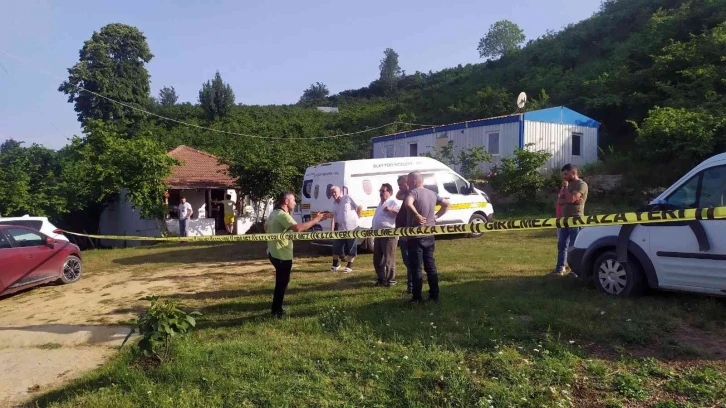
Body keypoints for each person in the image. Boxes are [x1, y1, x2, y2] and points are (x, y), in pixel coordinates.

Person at [265, 191, 326, 318]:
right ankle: (277, 311)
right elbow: (298, 228)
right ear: (286, 201)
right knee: (282, 283)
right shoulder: (282, 215)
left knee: (282, 281)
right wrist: (316, 220)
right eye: (293, 200)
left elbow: (265, 227)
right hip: (281, 254)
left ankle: (277, 307)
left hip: (273, 252)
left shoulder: (274, 213)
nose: (295, 203)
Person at [404, 171, 450, 303]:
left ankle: (417, 298)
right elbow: (447, 204)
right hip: (429, 235)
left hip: (415, 237)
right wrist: (436, 216)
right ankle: (434, 295)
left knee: (416, 268)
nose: (407, 184)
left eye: (408, 181)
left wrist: (416, 215)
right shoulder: (432, 193)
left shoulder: (413, 192)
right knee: (430, 266)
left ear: (414, 181)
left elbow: (408, 203)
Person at [551, 163, 588, 277]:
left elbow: (571, 199)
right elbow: (560, 201)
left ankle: (575, 271)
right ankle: (559, 269)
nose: (564, 177)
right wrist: (568, 198)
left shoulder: (581, 185)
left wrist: (567, 192)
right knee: (562, 245)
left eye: (566, 174)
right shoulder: (567, 185)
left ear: (574, 173)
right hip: (565, 220)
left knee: (574, 247)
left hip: (576, 220)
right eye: (563, 175)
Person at [372, 183, 401, 287]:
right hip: (378, 234)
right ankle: (381, 279)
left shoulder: (393, 202)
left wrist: (391, 209)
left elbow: (400, 213)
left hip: (389, 234)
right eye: (380, 191)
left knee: (389, 259)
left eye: (383, 191)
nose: (381, 193)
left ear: (390, 192)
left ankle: (391, 281)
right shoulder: (380, 203)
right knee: (377, 259)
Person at [329, 186, 362, 273]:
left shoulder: (347, 198)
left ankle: (349, 266)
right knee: (336, 246)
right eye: (332, 192)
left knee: (352, 247)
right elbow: (334, 218)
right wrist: (332, 230)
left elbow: (359, 207)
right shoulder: (334, 205)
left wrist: (358, 218)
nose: (333, 194)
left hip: (353, 227)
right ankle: (335, 265)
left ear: (340, 192)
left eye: (335, 192)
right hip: (340, 229)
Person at [395, 175, 413, 294]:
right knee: (408, 263)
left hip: (408, 235)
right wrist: (403, 188)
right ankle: (411, 286)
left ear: (408, 183)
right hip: (402, 234)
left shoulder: (412, 195)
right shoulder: (406, 194)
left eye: (401, 185)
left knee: (410, 262)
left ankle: (411, 287)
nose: (399, 187)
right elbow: (398, 195)